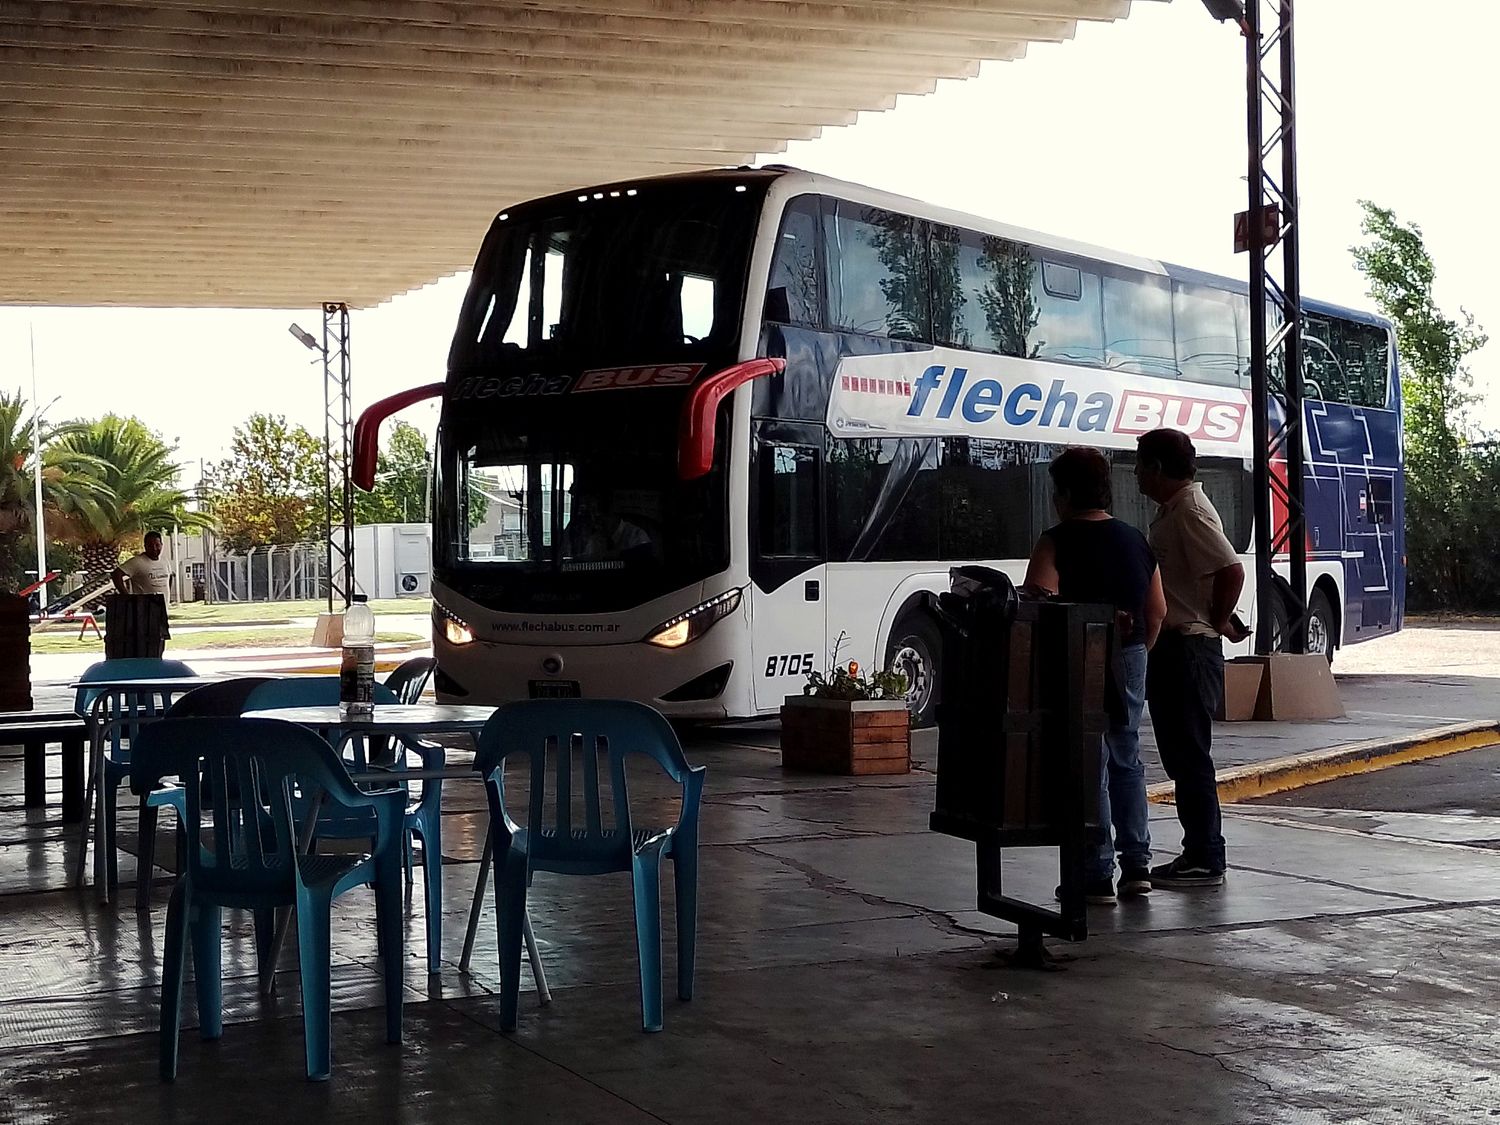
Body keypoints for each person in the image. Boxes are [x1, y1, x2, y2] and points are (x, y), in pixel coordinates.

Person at [1025, 447, 1167, 904]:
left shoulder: (1055, 541)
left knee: (1091, 764)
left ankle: (1094, 872)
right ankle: (1137, 866)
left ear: (1064, 493)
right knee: (1127, 757)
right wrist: (1135, 653)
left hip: (1077, 657)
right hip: (1129, 652)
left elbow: (1039, 604)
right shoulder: (1135, 540)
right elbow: (1158, 611)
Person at [1134, 429, 1250, 889]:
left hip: (1188, 647)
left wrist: (1218, 618)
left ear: (1158, 468)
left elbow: (1231, 569)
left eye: (1142, 464)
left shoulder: (1190, 511)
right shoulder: (1174, 510)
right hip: (1176, 646)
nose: (1138, 473)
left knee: (1190, 758)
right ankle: (1197, 851)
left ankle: (1205, 855)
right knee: (1181, 757)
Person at [560, 481, 652, 562]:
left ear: (612, 510)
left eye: (598, 513)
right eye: (589, 511)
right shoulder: (586, 534)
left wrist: (609, 556)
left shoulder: (636, 537)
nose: (594, 519)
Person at [112, 531, 172, 598]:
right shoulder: (137, 562)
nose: (154, 548)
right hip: (144, 607)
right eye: (150, 546)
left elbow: (170, 577)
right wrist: (126, 596)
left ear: (161, 545)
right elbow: (116, 574)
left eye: (157, 545)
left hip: (163, 607)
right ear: (145, 546)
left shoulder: (165, 561)